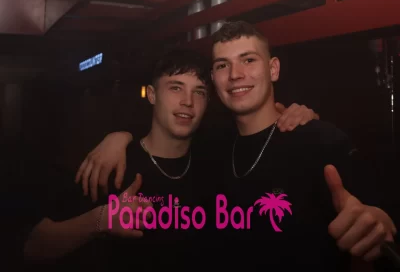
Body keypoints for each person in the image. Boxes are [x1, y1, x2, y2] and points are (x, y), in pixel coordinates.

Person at [77, 21, 397, 270]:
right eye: (222, 65)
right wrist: (120, 136)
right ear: (215, 80)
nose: (235, 74)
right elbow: (166, 131)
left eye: (248, 60)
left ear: (273, 69)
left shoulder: (321, 141)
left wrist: (380, 224)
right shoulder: (213, 146)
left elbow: (376, 216)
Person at [21, 48, 316, 267]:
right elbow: (35, 246)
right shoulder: (111, 166)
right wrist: (100, 220)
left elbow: (271, 124)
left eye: (199, 92)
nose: (187, 102)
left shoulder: (218, 157)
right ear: (152, 95)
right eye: (175, 88)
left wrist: (304, 118)